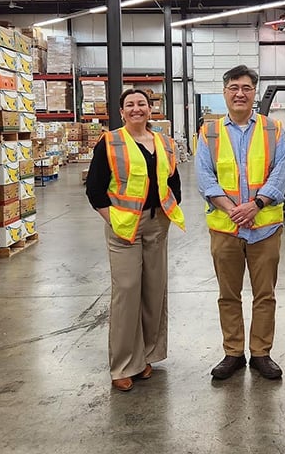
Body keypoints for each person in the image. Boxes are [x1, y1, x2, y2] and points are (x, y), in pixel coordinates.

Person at [85, 88, 185, 392]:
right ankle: (123, 365)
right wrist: (114, 219)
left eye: (142, 103)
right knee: (127, 291)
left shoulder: (164, 143)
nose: (136, 108)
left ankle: (146, 356)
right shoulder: (111, 142)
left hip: (158, 223)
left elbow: (173, 182)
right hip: (124, 226)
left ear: (150, 109)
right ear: (122, 111)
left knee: (154, 290)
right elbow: (95, 189)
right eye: (130, 104)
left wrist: (169, 211)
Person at [196, 65, 285, 381]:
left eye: (246, 87)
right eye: (234, 87)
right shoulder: (209, 132)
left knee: (265, 294)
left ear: (254, 93)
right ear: (225, 92)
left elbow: (280, 172)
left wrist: (256, 204)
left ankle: (261, 353)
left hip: (265, 228)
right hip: (225, 228)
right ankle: (233, 353)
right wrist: (233, 209)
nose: (239, 93)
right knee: (228, 294)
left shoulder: (273, 129)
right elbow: (204, 177)